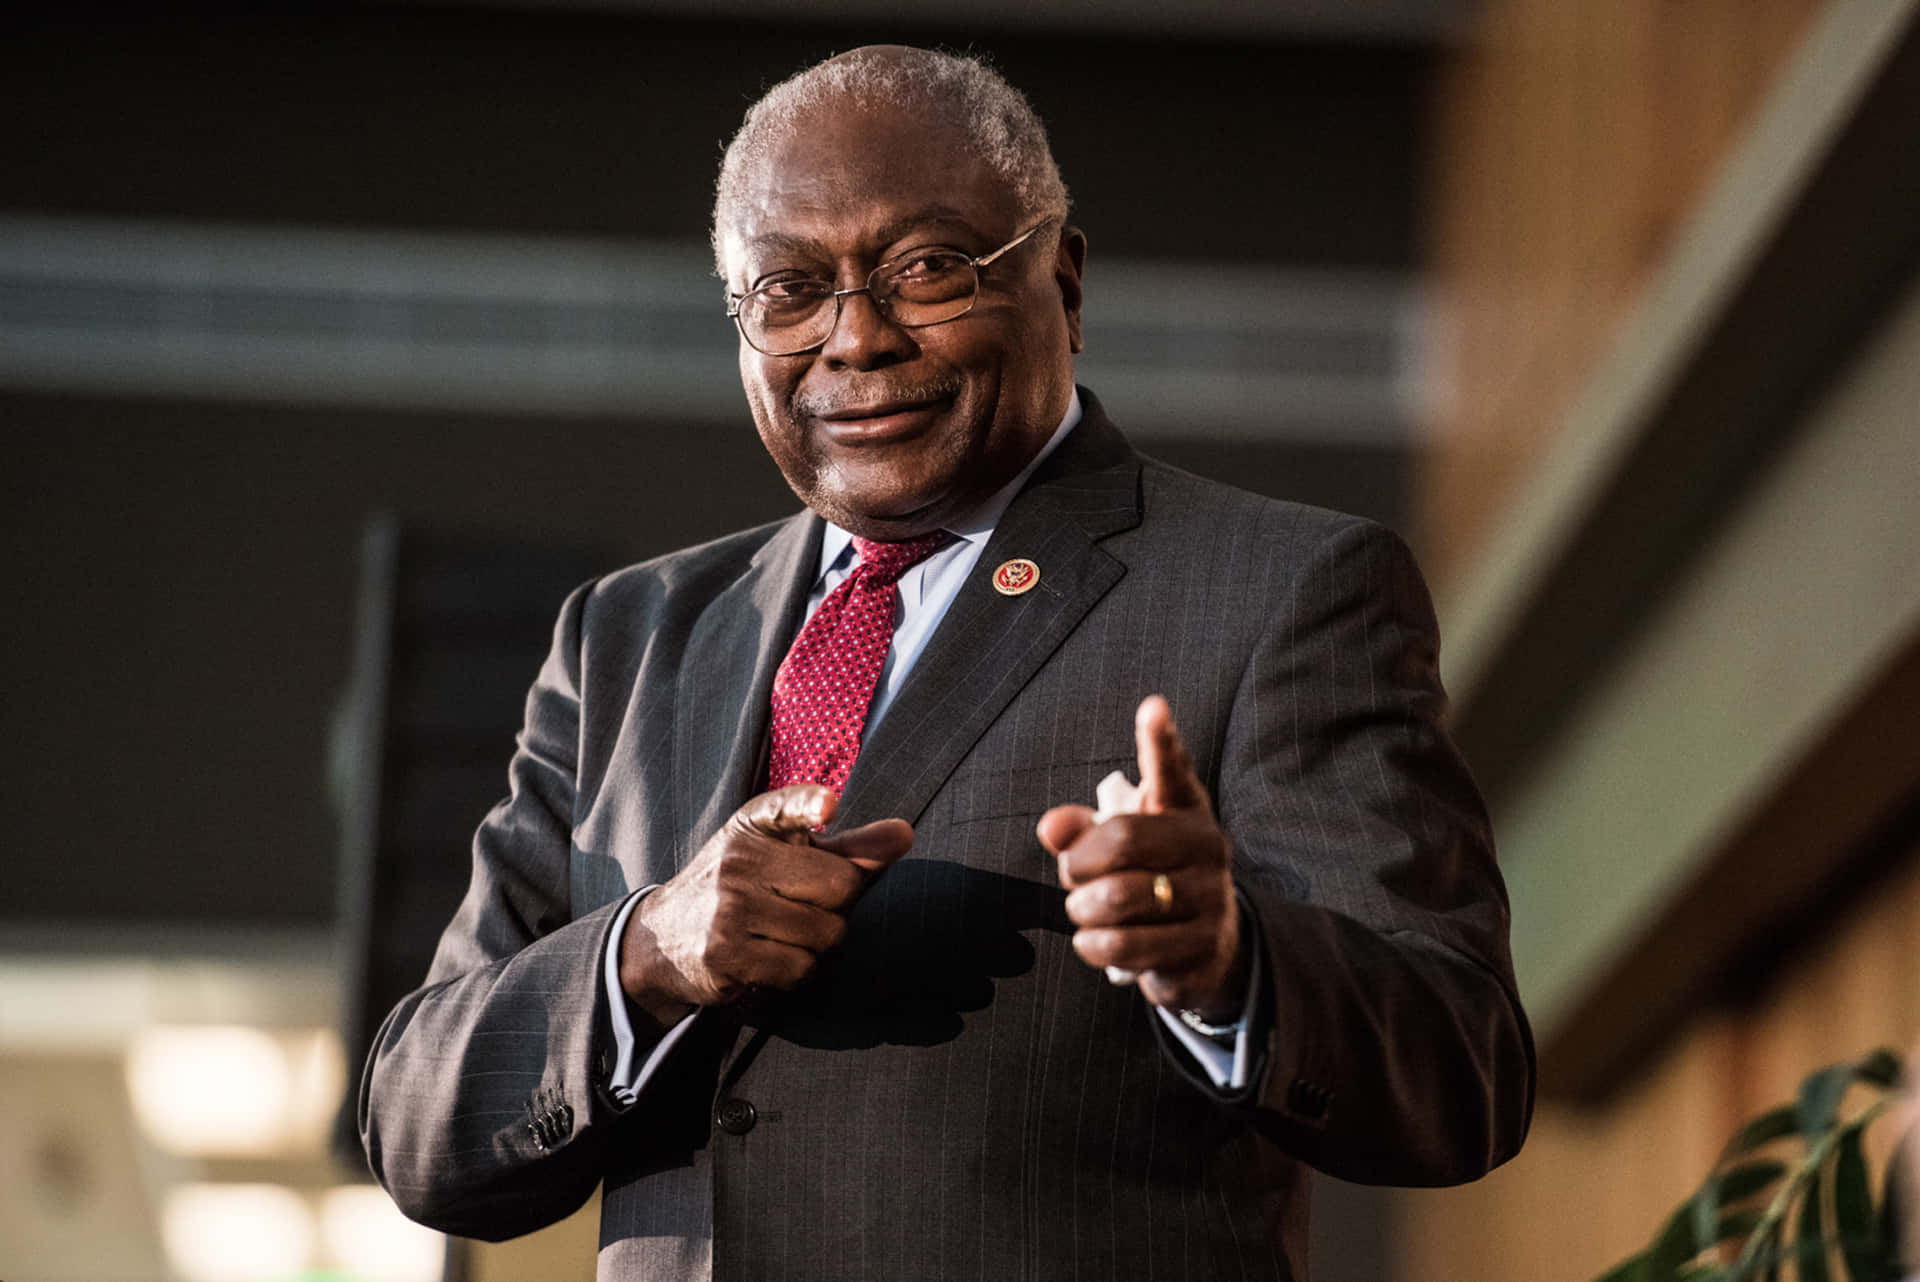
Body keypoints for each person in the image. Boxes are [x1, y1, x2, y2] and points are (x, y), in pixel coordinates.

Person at [360, 44, 1534, 1281]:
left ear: (1062, 283)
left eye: (926, 269)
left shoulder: (1278, 589)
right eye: (790, 290)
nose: (856, 338)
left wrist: (1232, 963)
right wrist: (647, 953)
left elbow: (1463, 1067)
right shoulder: (628, 636)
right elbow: (419, 1126)